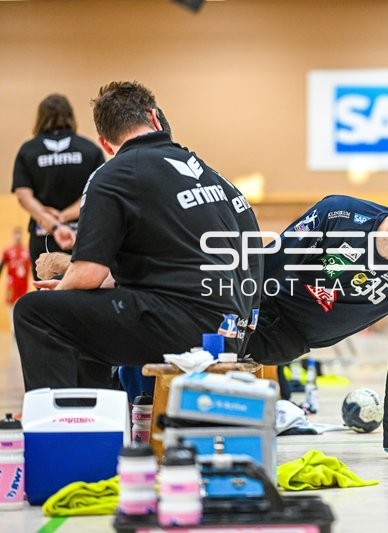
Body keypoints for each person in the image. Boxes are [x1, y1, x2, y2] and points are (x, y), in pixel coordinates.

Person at [13, 81, 262, 391]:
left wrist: (62, 289)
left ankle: (61, 417)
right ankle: (104, 409)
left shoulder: (114, 174)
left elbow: (89, 274)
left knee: (35, 312)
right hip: (237, 331)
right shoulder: (214, 177)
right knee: (83, 310)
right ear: (155, 118)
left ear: (105, 144)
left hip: (185, 329)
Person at [243, 171, 388, 462]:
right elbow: (269, 267)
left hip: (287, 341)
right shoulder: (338, 214)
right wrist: (237, 322)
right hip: (256, 310)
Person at [11, 94, 105, 280]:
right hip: (83, 236)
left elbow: (24, 196)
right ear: (71, 116)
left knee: (45, 291)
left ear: (40, 117)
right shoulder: (90, 149)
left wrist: (52, 222)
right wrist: (65, 216)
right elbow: (97, 193)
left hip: (43, 236)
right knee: (83, 287)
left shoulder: (28, 150)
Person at [0, 227, 31, 332]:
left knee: (22, 308)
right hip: (12, 286)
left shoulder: (27, 251)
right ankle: (14, 331)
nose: (18, 236)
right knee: (11, 310)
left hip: (23, 286)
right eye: (16, 234)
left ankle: (20, 331)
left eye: (19, 234)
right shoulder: (8, 251)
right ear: (13, 235)